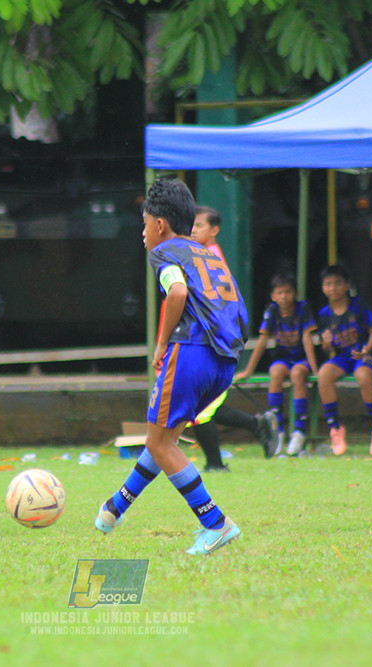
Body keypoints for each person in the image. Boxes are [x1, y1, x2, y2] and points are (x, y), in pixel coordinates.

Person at [94, 178, 247, 555]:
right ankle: (115, 509)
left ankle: (215, 524)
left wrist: (163, 342)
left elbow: (176, 291)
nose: (143, 233)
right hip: (224, 358)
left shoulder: (163, 252)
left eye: (145, 224)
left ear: (160, 225)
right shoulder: (206, 252)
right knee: (163, 439)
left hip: (192, 352)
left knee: (160, 442)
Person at [188, 205, 275, 469]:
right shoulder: (205, 255)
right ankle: (255, 426)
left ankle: (216, 464)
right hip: (210, 340)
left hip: (212, 341)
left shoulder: (208, 258)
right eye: (191, 225)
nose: (193, 231)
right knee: (203, 405)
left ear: (214, 230)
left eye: (199, 226)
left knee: (200, 408)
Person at [234, 274, 319, 456]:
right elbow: (262, 341)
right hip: (283, 358)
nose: (284, 296)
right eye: (279, 293)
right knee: (275, 371)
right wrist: (248, 370)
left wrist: (315, 368)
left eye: (288, 292)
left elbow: (307, 339)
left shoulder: (303, 308)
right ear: (273, 296)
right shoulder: (272, 311)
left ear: (295, 293)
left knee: (297, 373)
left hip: (301, 359)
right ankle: (278, 431)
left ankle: (299, 431)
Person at [315, 265, 372, 456]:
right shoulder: (324, 314)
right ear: (323, 288)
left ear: (347, 285)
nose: (333, 288)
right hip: (344, 357)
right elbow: (327, 348)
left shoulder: (359, 306)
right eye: (328, 284)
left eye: (338, 283)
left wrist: (366, 350)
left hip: (365, 354)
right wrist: (326, 343)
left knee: (362, 375)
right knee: (324, 375)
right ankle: (335, 428)